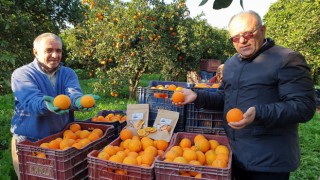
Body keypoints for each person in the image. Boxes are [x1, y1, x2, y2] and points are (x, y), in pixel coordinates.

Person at [177, 10, 316, 179]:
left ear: (263, 30)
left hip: (269, 162)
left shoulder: (287, 59)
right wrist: (198, 96)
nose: (242, 41)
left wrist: (259, 113)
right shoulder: (231, 63)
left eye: (248, 34)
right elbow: (224, 96)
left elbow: (304, 106)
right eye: (235, 38)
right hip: (236, 155)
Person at [10, 33, 99, 177]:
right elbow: (31, 101)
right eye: (49, 50)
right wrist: (47, 104)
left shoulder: (68, 73)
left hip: (62, 141)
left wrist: (78, 101)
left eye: (58, 51)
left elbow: (73, 92)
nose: (55, 55)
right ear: (35, 52)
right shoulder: (22, 74)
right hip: (30, 142)